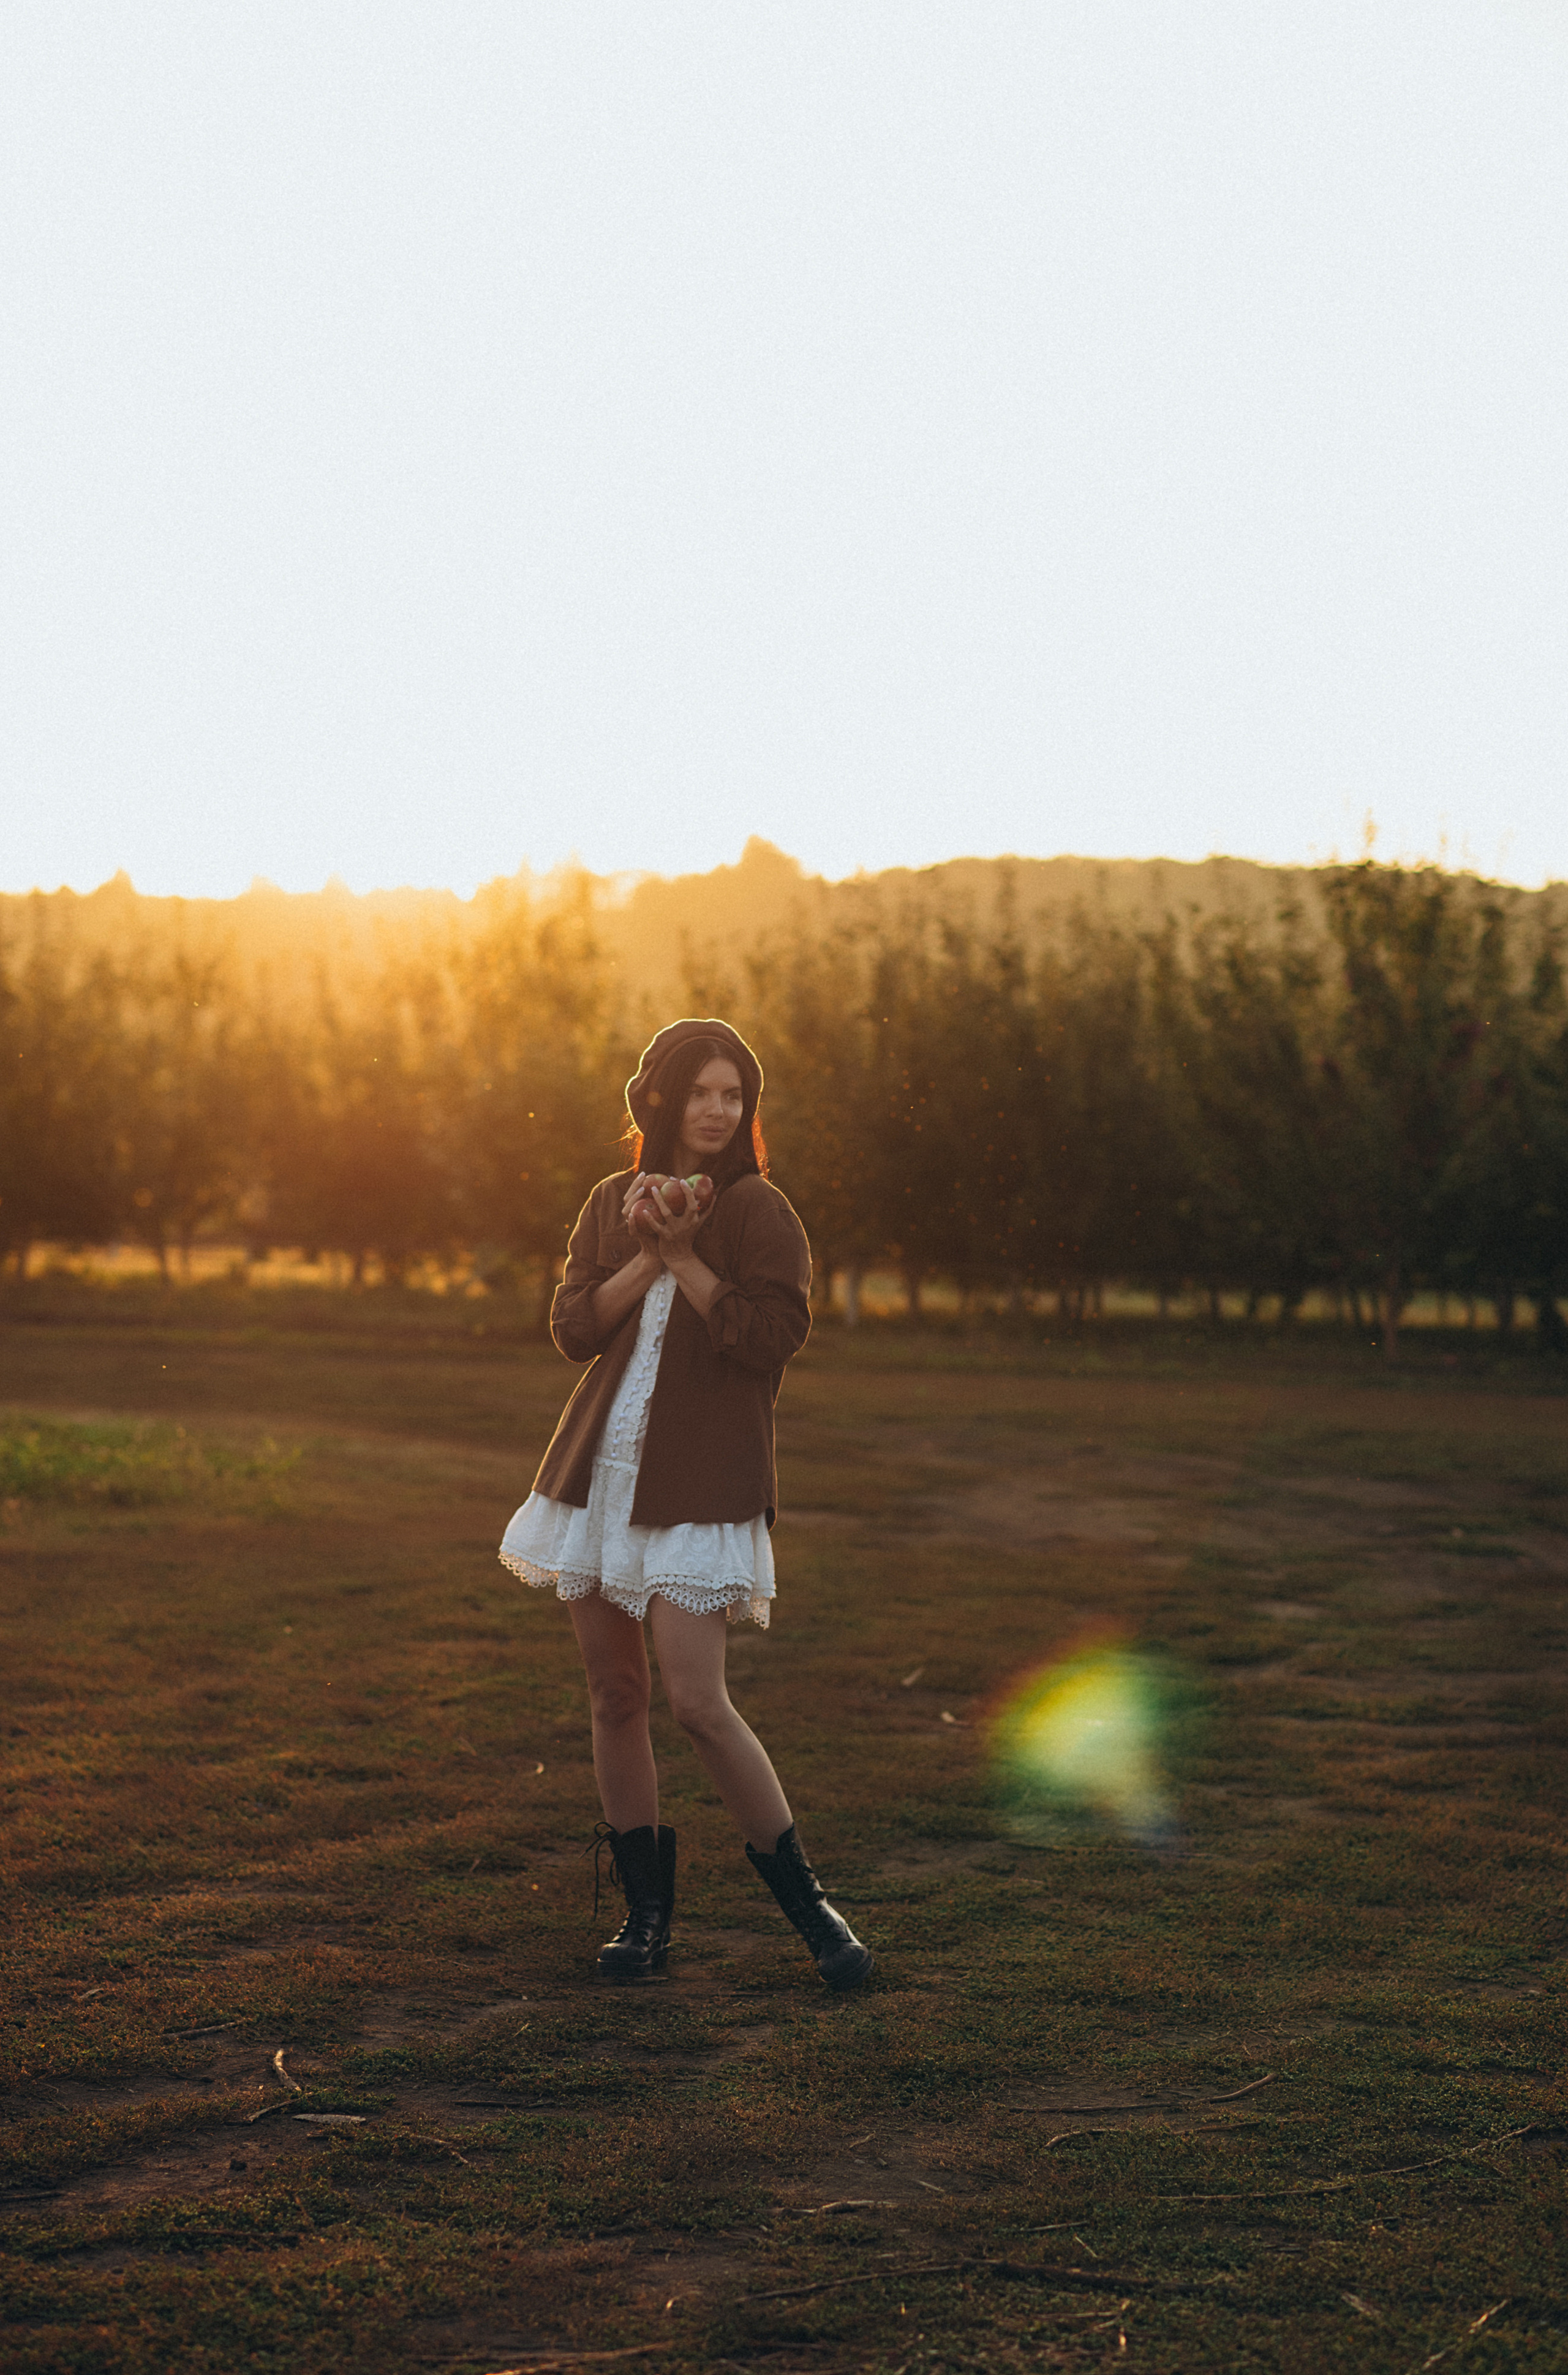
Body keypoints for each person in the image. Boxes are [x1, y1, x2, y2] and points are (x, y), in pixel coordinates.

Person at [499, 1016, 874, 1992]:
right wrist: (647, 1249)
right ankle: (646, 1918)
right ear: (663, 1099)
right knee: (614, 1695)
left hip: (700, 1487)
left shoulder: (759, 1212)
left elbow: (769, 1335)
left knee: (699, 1702)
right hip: (599, 1477)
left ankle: (815, 1912)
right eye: (701, 1091)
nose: (718, 1110)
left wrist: (689, 1256)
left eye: (734, 1095)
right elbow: (573, 1324)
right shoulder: (608, 1203)